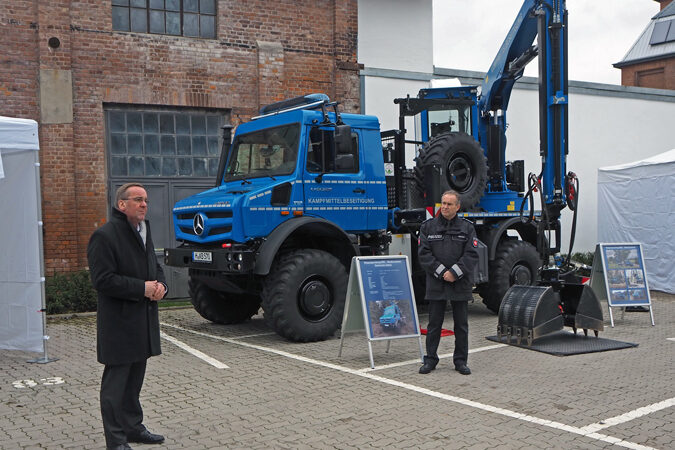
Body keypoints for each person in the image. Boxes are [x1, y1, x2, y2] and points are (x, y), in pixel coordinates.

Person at [87, 183, 168, 450]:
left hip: (142, 321)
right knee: (115, 387)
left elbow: (153, 265)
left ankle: (133, 428)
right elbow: (103, 280)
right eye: (138, 200)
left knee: (134, 382)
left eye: (145, 200)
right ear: (122, 205)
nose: (144, 204)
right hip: (119, 324)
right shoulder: (105, 236)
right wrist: (141, 288)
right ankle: (116, 440)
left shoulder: (144, 231)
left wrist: (161, 286)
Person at [418, 190, 479, 375]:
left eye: (449, 204)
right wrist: (442, 272)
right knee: (434, 324)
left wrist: (454, 273)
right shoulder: (428, 227)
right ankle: (430, 360)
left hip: (459, 282)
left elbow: (471, 254)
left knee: (461, 325)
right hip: (437, 282)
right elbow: (424, 254)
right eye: (443, 203)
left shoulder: (467, 228)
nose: (444, 207)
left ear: (457, 207)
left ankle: (460, 361)